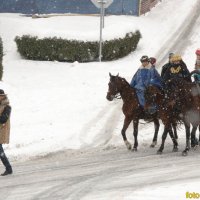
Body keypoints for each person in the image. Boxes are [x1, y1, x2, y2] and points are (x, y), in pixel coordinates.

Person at [0, 89, 12, 176]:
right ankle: (9, 168)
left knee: (0, 151)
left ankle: (8, 168)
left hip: (1, 131)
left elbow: (3, 119)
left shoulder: (7, 107)